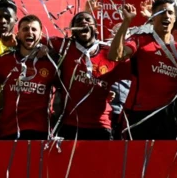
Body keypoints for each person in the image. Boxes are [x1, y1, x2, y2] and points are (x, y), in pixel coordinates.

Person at [108, 0, 177, 140]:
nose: (166, 15)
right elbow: (114, 55)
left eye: (170, 13)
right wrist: (126, 23)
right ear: (153, 17)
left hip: (168, 118)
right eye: (161, 12)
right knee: (136, 160)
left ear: (174, 19)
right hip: (139, 117)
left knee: (165, 160)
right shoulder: (140, 40)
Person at [49, 11, 130, 140]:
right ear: (73, 30)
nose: (83, 22)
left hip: (101, 125)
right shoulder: (65, 46)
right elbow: (36, 40)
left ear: (96, 28)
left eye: (88, 19)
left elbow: (139, 71)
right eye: (79, 21)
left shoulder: (109, 53)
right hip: (70, 124)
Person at [0, 15, 57, 139]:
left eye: (34, 29)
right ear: (19, 34)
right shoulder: (4, 61)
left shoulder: (51, 64)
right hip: (9, 131)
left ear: (41, 35)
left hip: (41, 132)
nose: (29, 32)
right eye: (25, 29)